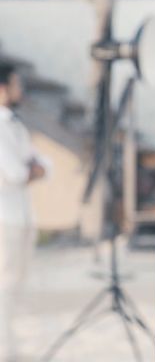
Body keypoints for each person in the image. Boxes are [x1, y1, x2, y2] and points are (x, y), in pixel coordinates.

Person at [0, 62, 47, 359]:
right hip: (4, 217)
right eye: (16, 84)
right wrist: (32, 169)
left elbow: (44, 165)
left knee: (17, 284)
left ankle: (11, 346)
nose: (21, 89)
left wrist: (32, 168)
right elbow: (16, 172)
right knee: (4, 284)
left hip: (23, 215)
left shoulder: (16, 124)